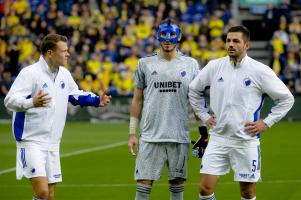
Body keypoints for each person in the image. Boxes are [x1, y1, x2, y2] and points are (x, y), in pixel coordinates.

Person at [188, 25, 294, 200]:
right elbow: (193, 89)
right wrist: (205, 116)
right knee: (205, 189)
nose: (230, 44)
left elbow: (287, 99)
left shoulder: (260, 71)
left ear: (246, 45)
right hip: (218, 138)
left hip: (245, 141)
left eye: (236, 41)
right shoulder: (214, 66)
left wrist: (266, 122)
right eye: (228, 40)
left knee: (247, 192)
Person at [4, 33, 112, 200]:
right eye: (64, 51)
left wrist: (97, 100)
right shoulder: (30, 73)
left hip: (53, 142)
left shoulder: (64, 74)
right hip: (31, 140)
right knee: (42, 192)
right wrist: (32, 102)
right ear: (50, 53)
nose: (68, 54)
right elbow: (9, 101)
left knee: (50, 195)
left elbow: (74, 94)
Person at [127, 18, 200, 200]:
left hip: (178, 136)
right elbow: (137, 100)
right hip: (150, 136)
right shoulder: (144, 63)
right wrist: (132, 133)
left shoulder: (191, 64)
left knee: (177, 185)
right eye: (164, 34)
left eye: (172, 34)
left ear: (179, 37)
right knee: (143, 185)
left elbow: (197, 100)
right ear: (157, 36)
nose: (168, 39)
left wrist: (203, 132)